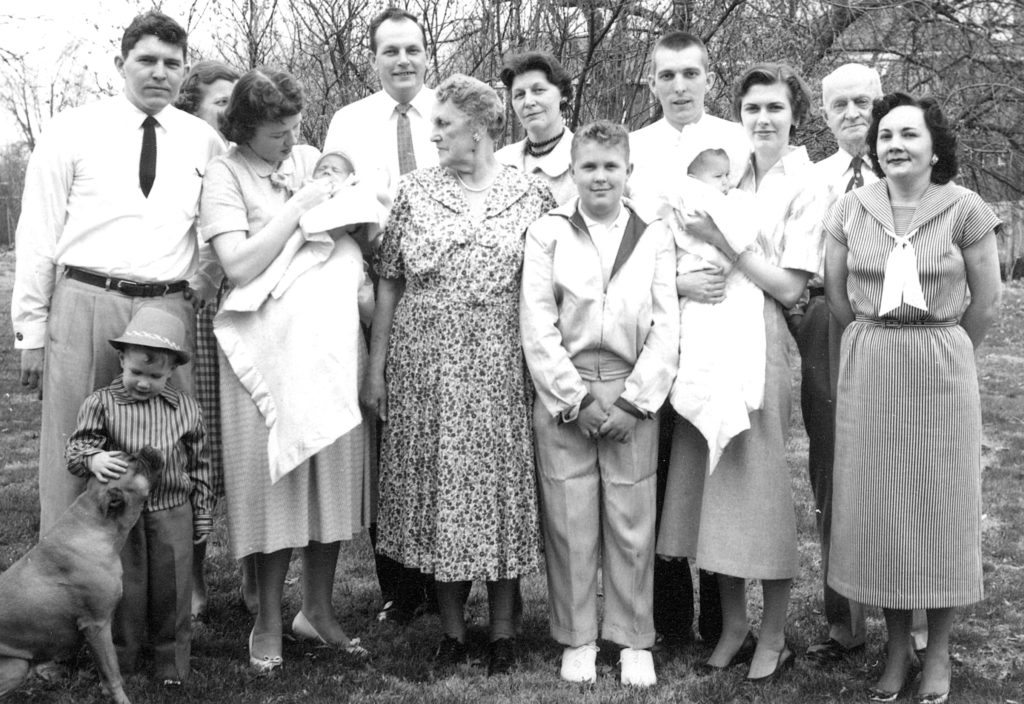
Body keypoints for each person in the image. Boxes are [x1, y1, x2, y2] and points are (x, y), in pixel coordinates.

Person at [363, 73, 553, 676]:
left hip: (498, 358)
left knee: (497, 491)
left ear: (478, 129)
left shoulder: (531, 195)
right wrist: (378, 368)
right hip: (424, 361)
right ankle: (450, 630)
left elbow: (549, 287)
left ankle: (501, 631)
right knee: (437, 490)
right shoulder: (414, 191)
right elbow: (389, 281)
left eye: (443, 124)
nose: (434, 133)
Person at [12, 10, 223, 536]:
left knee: (162, 452)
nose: (159, 73)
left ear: (183, 70)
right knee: (76, 447)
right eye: (146, 60)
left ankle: (155, 599)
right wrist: (31, 333)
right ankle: (63, 587)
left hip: (167, 309)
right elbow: (37, 234)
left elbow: (222, 221)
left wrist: (208, 274)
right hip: (87, 299)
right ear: (120, 63)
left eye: (171, 63)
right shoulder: (72, 130)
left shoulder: (202, 139)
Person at [824, 92, 1002, 704]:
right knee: (882, 505)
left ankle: (940, 651)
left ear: (934, 147)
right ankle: (897, 649)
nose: (895, 145)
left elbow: (988, 297)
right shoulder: (851, 208)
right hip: (873, 365)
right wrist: (879, 341)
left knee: (939, 505)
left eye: (909, 135)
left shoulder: (964, 209)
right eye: (885, 136)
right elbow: (838, 293)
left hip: (940, 365)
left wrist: (946, 347)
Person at [200, 68, 372, 672]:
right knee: (274, 482)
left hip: (326, 344)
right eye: (277, 133)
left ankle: (317, 610)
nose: (290, 141)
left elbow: (352, 215)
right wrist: (298, 207)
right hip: (261, 351)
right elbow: (240, 264)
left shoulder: (306, 158)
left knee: (331, 473)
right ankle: (268, 617)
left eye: (295, 128)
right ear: (245, 128)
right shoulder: (225, 173)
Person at [657, 63, 820, 681]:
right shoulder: (720, 167)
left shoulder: (803, 185)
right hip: (705, 346)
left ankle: (774, 633)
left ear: (795, 116)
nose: (763, 119)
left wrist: (723, 244)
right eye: (753, 109)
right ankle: (732, 625)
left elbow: (786, 285)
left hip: (761, 344)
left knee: (758, 488)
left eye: (776, 109)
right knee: (711, 489)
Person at [521, 120, 678, 686]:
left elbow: (666, 325)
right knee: (570, 516)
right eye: (589, 166)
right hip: (566, 391)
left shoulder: (653, 233)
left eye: (611, 166)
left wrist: (636, 403)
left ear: (629, 172)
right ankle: (578, 636)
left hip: (630, 390)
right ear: (574, 171)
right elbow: (537, 325)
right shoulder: (549, 232)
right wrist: (574, 399)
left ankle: (634, 638)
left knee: (632, 515)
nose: (600, 176)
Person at [628, 29, 749, 652]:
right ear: (652, 81)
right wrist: (673, 279)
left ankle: (724, 619)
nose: (679, 86)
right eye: (667, 75)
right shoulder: (637, 148)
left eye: (690, 74)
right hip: (659, 324)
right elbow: (628, 240)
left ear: (708, 78)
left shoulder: (735, 141)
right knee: (665, 470)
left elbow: (751, 229)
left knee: (718, 469)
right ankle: (670, 617)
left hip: (722, 319)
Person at [322, 6, 438, 624]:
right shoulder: (350, 121)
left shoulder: (450, 113)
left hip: (442, 293)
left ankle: (445, 576)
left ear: (427, 54)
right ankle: (399, 586)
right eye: (390, 51)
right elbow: (333, 197)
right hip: (371, 287)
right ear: (373, 59)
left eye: (412, 50)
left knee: (437, 433)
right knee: (387, 431)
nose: (402, 61)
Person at [65, 307, 213, 686]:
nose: (144, 383)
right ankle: (123, 662)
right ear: (121, 361)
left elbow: (199, 466)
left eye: (155, 375)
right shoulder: (101, 403)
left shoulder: (185, 410)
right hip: (117, 517)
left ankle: (172, 664)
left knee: (174, 589)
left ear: (171, 371)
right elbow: (76, 450)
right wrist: (94, 458)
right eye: (136, 373)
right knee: (124, 591)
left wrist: (201, 513)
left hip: (172, 509)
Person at [790, 62, 882, 663]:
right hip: (826, 317)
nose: (853, 114)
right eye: (839, 105)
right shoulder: (813, 178)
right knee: (831, 468)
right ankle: (845, 626)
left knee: (899, 465)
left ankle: (918, 621)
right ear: (823, 115)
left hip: (895, 328)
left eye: (863, 102)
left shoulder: (912, 171)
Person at [173, 58, 249, 621]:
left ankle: (252, 574)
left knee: (244, 445)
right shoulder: (189, 156)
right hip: (198, 313)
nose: (229, 110)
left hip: (246, 311)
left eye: (234, 100)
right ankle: (194, 578)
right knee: (197, 447)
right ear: (194, 106)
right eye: (219, 101)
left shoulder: (253, 161)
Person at [497, 51, 576, 205]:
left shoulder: (590, 162)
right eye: (519, 95)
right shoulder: (499, 162)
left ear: (563, 95)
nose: (528, 102)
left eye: (538, 90)